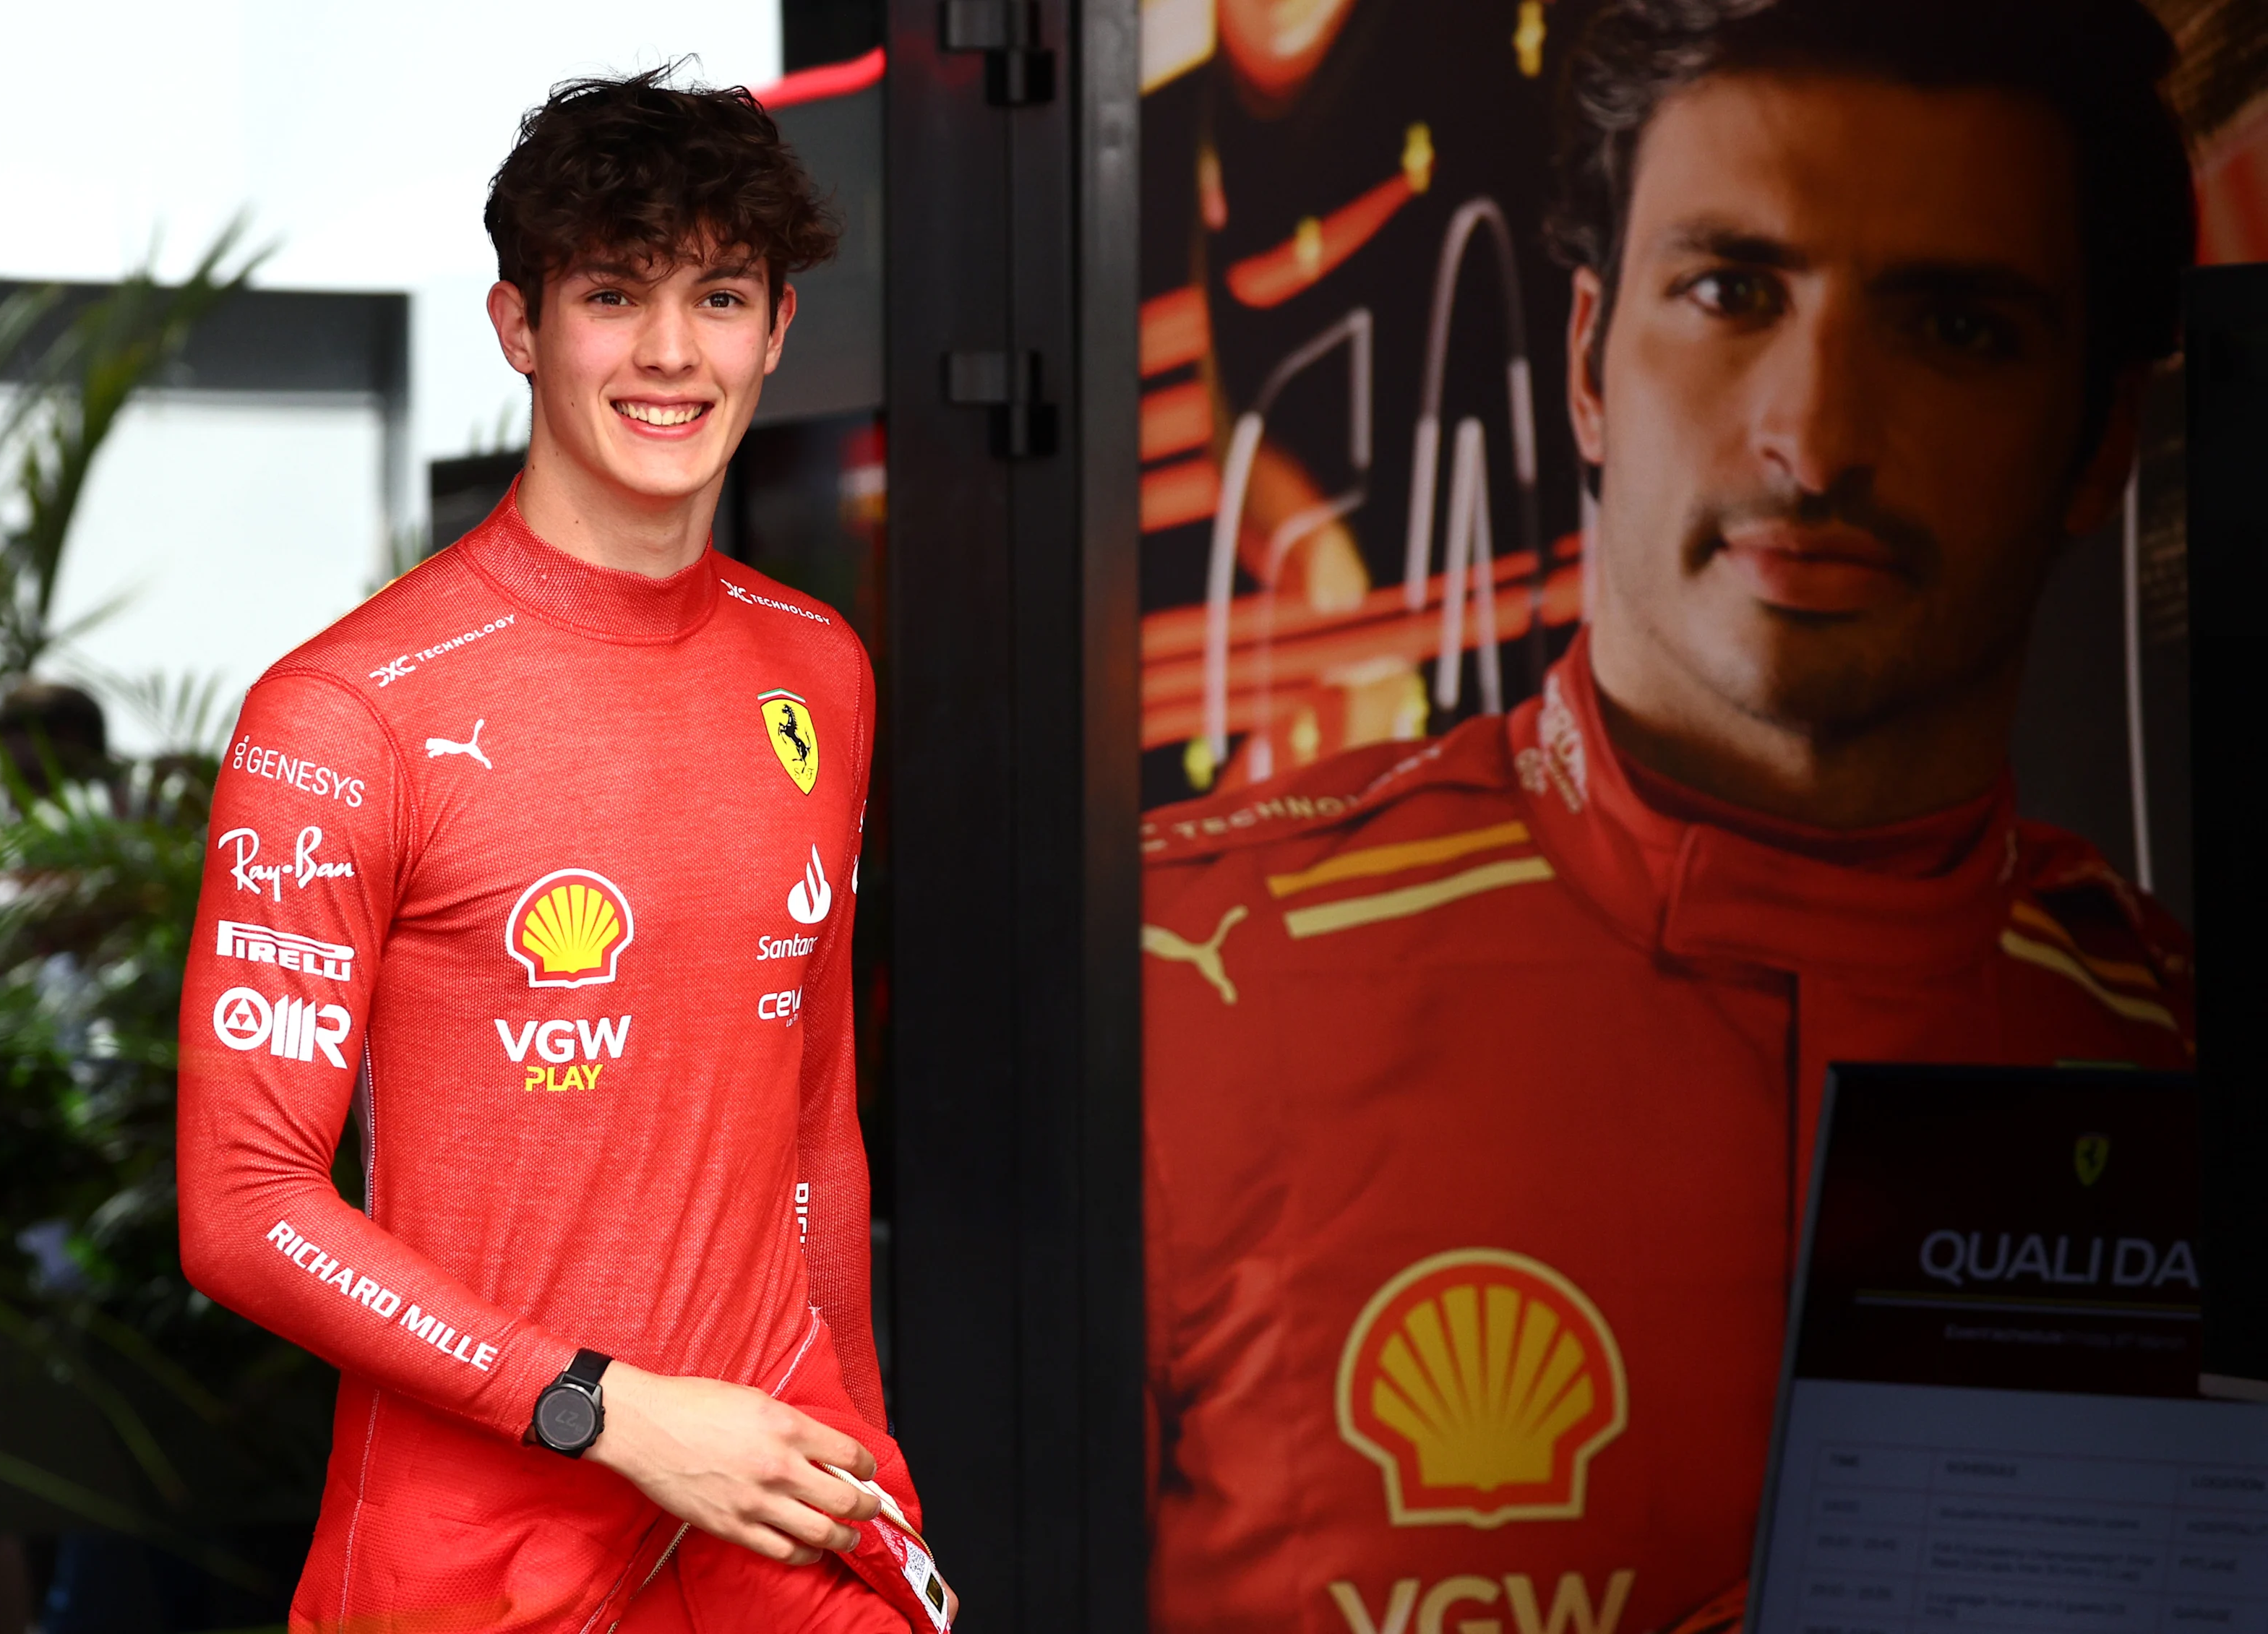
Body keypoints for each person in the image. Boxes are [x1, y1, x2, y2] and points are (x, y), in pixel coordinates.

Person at [1140, 3, 2196, 1630]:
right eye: (1730, 291)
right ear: (1583, 362)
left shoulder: (2182, 1055)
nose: (1817, 438)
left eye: (1957, 328)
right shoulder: (1181, 985)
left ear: (2098, 444)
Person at [178, 71, 950, 1633]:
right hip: (481, 1527)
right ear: (519, 325)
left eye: (719, 295)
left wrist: (861, 1442)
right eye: (614, 294)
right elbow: (246, 1204)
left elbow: (811, 1120)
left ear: (779, 327)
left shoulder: (819, 667)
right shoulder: (341, 713)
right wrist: (609, 1408)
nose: (672, 354)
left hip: (774, 1487)